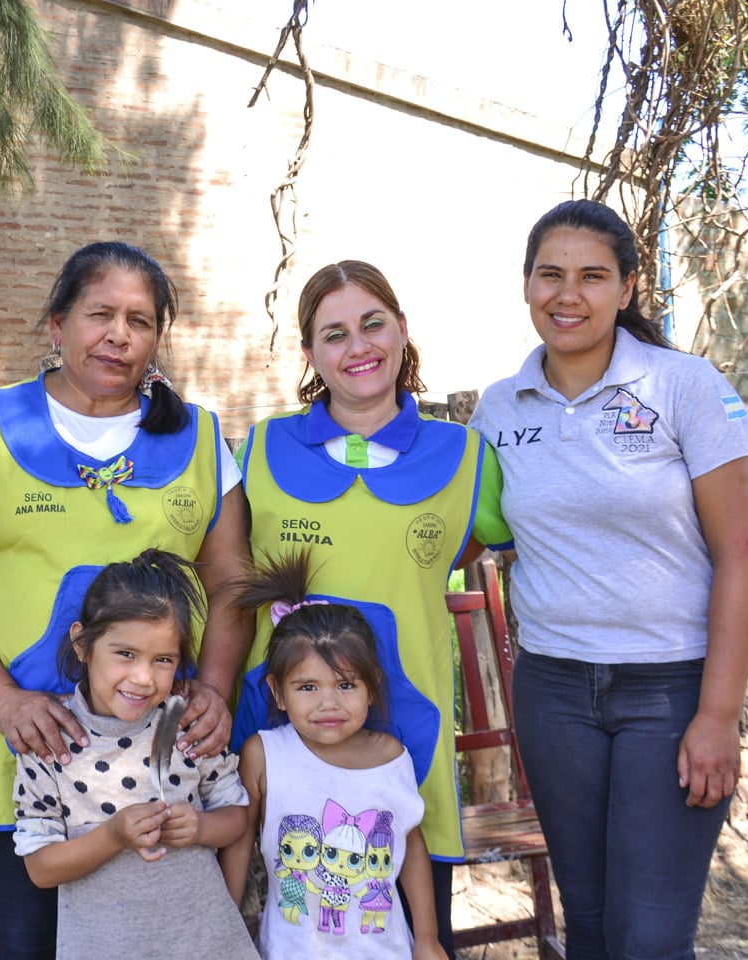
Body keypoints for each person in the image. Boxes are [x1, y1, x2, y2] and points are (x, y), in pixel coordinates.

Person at [0, 241, 253, 960]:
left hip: (164, 758)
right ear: (57, 323)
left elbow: (230, 583)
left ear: (158, 338)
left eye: (141, 320)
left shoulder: (201, 440)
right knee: (26, 944)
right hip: (30, 749)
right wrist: (3, 701)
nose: (119, 334)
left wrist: (214, 688)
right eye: (101, 314)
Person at [467, 199, 748, 960]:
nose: (569, 295)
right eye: (550, 275)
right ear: (526, 284)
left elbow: (740, 555)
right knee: (591, 928)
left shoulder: (686, 387)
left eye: (593, 276)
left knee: (652, 939)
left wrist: (719, 715)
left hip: (669, 693)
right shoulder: (499, 409)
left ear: (627, 288)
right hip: (554, 691)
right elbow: (466, 536)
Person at [233, 260, 511, 956]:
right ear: (309, 354)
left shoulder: (467, 457)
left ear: (402, 329)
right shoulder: (261, 450)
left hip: (406, 728)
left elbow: (476, 543)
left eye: (372, 323)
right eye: (334, 334)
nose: (357, 346)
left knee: (414, 932)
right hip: (283, 734)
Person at [12, 549, 257, 960]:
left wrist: (200, 828)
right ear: (82, 644)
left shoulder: (184, 723)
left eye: (163, 660)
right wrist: (112, 836)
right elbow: (41, 868)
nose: (143, 678)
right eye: (125, 654)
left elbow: (236, 818)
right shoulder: (51, 740)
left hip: (205, 945)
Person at [220, 550, 446, 960]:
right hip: (291, 950)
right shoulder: (264, 755)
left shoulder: (390, 757)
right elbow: (238, 842)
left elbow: (410, 843)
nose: (328, 703)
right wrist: (224, 932)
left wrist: (427, 939)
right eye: (307, 687)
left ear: (372, 686)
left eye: (345, 685)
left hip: (384, 949)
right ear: (277, 691)